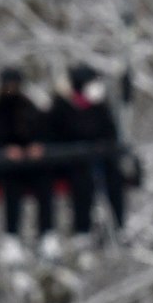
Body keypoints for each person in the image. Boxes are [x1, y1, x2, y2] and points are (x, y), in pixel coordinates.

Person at [0, 66, 57, 271]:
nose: (11, 90)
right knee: (12, 185)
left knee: (44, 181)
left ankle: (47, 234)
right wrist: (4, 152)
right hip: (4, 168)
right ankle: (11, 237)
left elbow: (44, 133)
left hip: (29, 165)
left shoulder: (28, 108)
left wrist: (38, 146)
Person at [47, 62, 126, 258]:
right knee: (83, 182)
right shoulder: (62, 107)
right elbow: (56, 136)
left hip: (98, 158)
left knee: (114, 177)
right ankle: (82, 229)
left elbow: (110, 133)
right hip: (73, 161)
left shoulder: (99, 107)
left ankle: (118, 225)